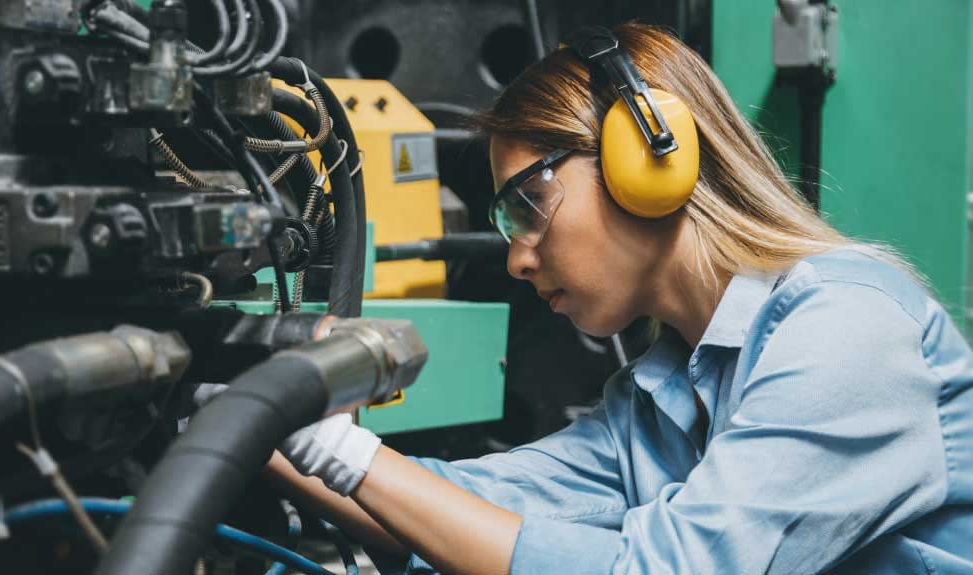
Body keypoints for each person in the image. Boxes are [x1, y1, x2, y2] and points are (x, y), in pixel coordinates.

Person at [263, 22, 973, 574]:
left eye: (531, 202)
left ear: (650, 155)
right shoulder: (655, 400)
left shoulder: (848, 330)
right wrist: (259, 424)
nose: (516, 257)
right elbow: (464, 502)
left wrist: (345, 454)